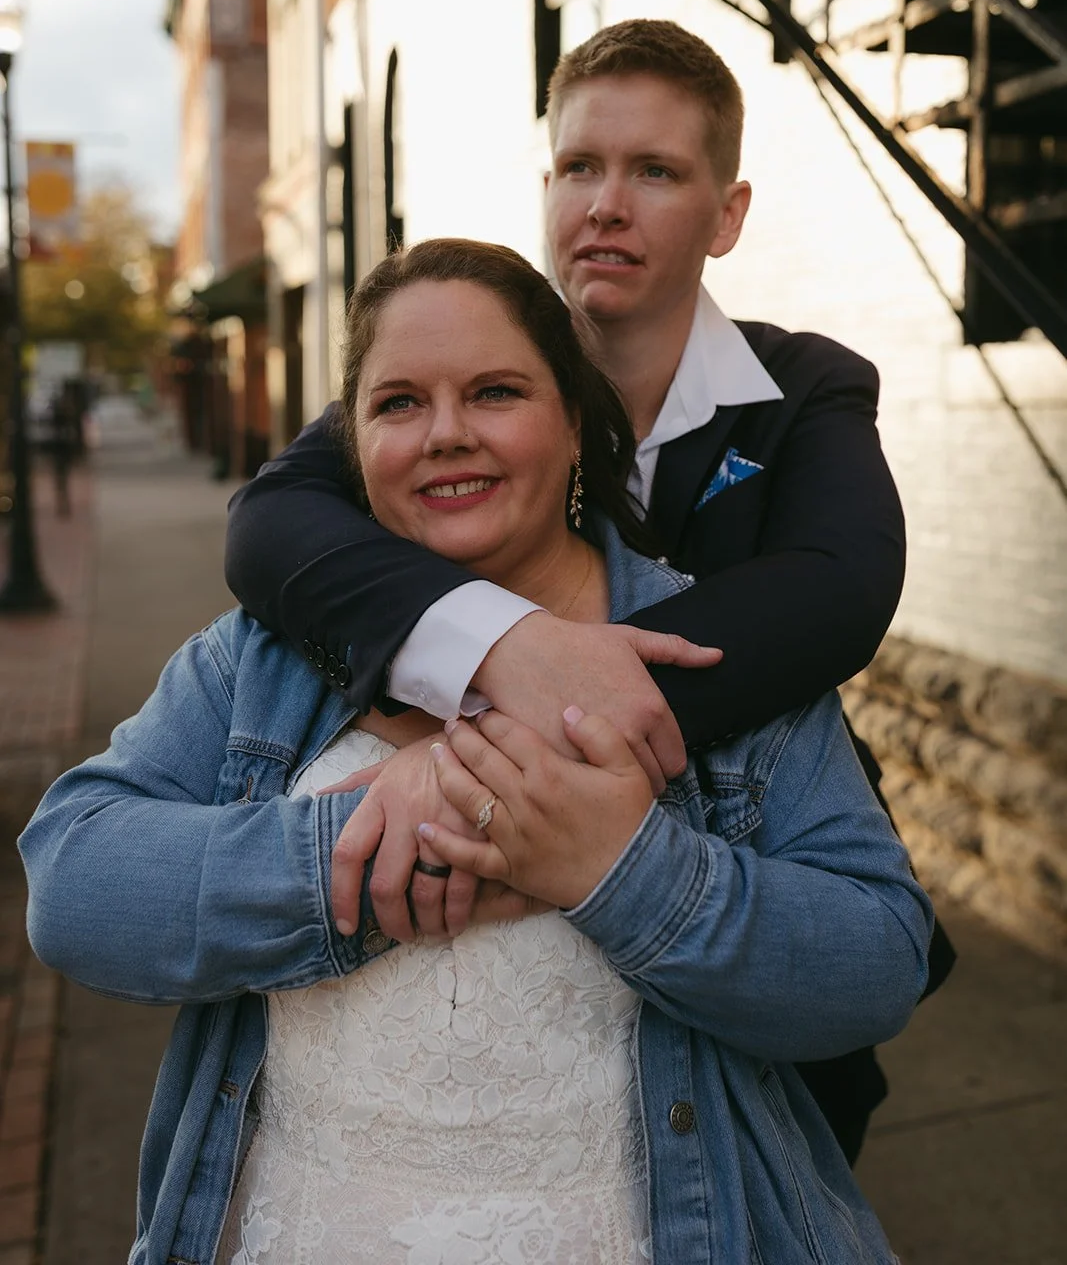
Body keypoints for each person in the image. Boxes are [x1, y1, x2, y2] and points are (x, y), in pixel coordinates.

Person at [22, 240, 933, 1265]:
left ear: (578, 424)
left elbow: (876, 960)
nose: (445, 434)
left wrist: (623, 870)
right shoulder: (262, 658)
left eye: (494, 392)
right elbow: (74, 882)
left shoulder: (697, 650)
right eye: (398, 402)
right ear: (355, 449)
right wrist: (359, 851)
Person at [225, 19, 954, 1159]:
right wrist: (504, 645)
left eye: (654, 171)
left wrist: (523, 723)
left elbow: (836, 587)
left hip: (737, 885)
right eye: (578, 166)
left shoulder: (803, 386)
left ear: (726, 214)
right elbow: (272, 525)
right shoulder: (461, 373)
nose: (604, 203)